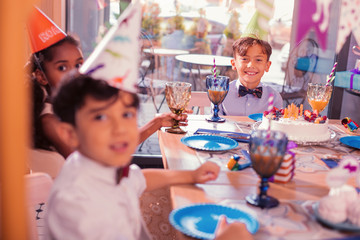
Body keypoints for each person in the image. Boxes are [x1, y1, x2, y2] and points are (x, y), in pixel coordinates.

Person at [44, 74, 222, 239]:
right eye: (100, 117)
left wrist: (191, 175)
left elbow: (137, 178)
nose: (120, 129)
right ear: (69, 134)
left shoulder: (95, 163)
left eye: (126, 114)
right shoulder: (78, 206)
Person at [28, 31, 190, 158]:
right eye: (62, 68)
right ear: (41, 76)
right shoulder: (50, 121)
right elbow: (95, 160)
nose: (74, 73)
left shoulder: (65, 108)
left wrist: (158, 122)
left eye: (78, 64)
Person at [220, 36, 283, 116]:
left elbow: (275, 126)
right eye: (245, 59)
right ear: (234, 63)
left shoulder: (274, 98)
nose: (251, 65)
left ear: (267, 66)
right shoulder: (221, 94)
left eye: (258, 60)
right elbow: (214, 125)